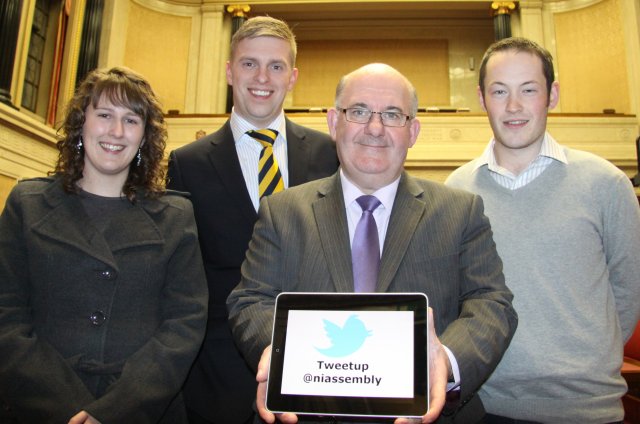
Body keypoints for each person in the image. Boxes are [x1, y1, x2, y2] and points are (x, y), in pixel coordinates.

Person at [227, 63, 518, 423]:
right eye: (359, 111)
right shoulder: (282, 212)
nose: (375, 128)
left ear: (413, 131)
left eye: (393, 115)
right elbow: (250, 300)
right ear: (334, 123)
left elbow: (492, 302)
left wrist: (443, 359)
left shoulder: (460, 211)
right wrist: (284, 354)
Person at [445, 37, 640, 423]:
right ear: (482, 99)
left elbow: (627, 290)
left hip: (585, 408)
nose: (513, 106)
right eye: (499, 91)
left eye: (528, 90)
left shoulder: (606, 183)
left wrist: (583, 360)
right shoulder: (457, 189)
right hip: (482, 407)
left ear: (552, 95)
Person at [0, 67, 208, 423]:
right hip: (38, 407)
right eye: (104, 115)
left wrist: (112, 412)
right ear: (82, 123)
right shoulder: (27, 204)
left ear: (144, 136)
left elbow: (184, 325)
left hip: (142, 410)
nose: (116, 131)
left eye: (131, 120)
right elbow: (7, 317)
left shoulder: (176, 215)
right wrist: (69, 409)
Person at [166, 16, 339, 424]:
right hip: (217, 379)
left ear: (292, 76)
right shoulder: (187, 164)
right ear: (229, 71)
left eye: (276, 66)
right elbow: (181, 276)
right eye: (249, 64)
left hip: (317, 367)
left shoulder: (329, 154)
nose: (262, 77)